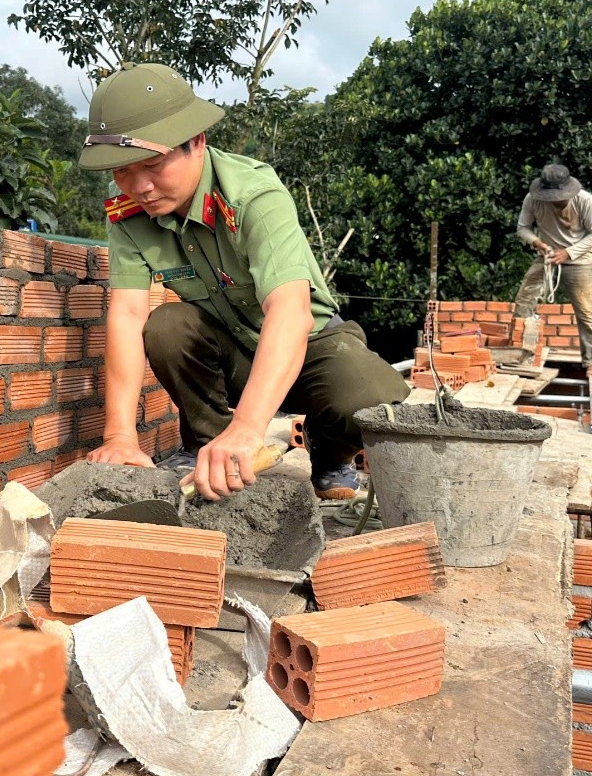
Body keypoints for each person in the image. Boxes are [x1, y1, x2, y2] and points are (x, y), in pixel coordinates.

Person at [80, 62, 410, 502]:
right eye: (122, 170)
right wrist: (120, 436)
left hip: (309, 346)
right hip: (231, 352)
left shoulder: (253, 195)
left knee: (372, 400)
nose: (139, 186)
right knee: (167, 326)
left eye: (153, 164)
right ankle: (207, 451)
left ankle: (329, 454)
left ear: (197, 142)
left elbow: (290, 313)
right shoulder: (128, 214)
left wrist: (249, 428)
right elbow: (127, 315)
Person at [512, 163, 592, 378]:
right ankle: (520, 355)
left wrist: (569, 253)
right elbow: (523, 228)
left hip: (580, 259)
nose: (555, 200)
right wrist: (537, 242)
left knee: (586, 311)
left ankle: (591, 362)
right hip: (546, 256)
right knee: (524, 300)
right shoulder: (532, 199)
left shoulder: (585, 201)